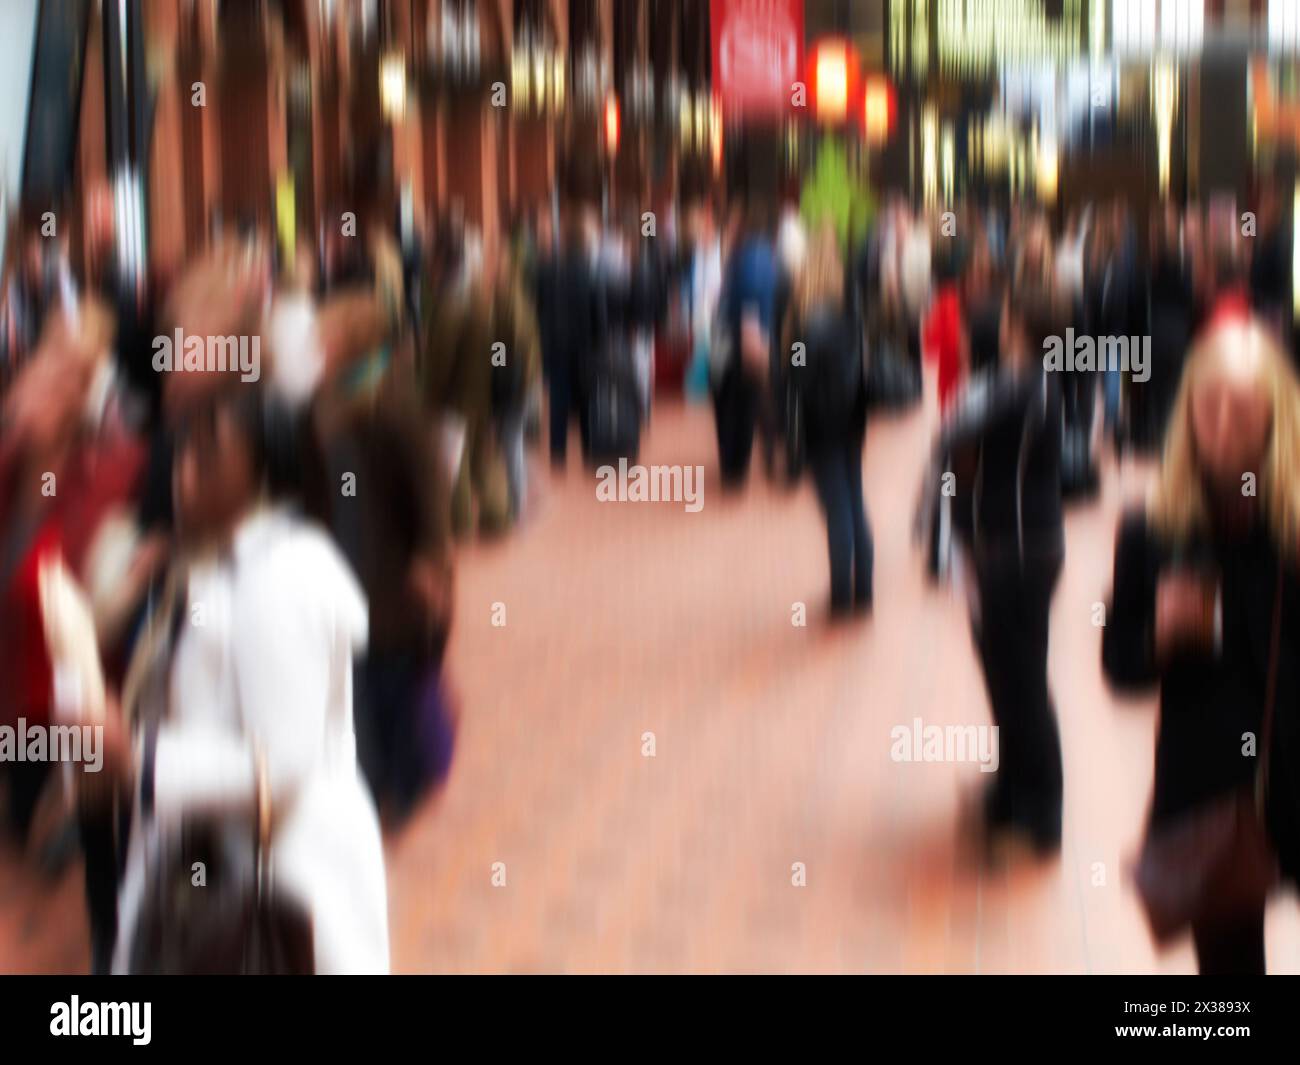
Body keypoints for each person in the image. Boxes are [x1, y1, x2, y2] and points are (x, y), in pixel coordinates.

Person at [106, 386, 389, 974]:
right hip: (226, 859)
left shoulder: (280, 578)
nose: (185, 471)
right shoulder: (224, 560)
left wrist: (142, 761)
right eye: (185, 452)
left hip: (283, 874)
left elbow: (280, 764)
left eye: (208, 455)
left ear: (263, 472)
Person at [1102, 317, 1300, 974]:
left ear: (1276, 418)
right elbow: (1120, 667)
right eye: (1207, 407)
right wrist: (1159, 633)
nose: (1221, 427)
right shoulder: (1152, 528)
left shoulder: (1292, 527)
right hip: (1211, 800)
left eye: (1243, 411)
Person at [926, 282, 1065, 857]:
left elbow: (949, 436)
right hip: (1019, 545)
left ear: (1017, 325)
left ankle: (1041, 810)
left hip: (1014, 549)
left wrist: (960, 446)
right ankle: (1013, 790)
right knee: (1007, 677)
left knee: (1022, 681)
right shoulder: (1038, 382)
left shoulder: (1016, 384)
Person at [785, 229, 871, 618]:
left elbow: (796, 376)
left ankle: (840, 594)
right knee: (854, 499)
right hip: (852, 418)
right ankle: (864, 587)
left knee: (836, 504)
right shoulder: (849, 315)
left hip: (821, 423)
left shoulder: (806, 326)